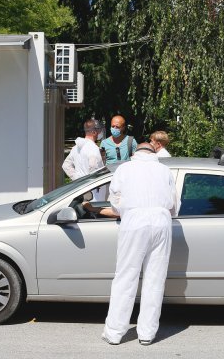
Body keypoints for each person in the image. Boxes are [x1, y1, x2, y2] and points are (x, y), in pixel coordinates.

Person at [84, 143, 177, 346]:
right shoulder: (164, 170)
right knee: (155, 278)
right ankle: (147, 334)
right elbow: (174, 206)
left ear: (135, 154)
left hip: (134, 221)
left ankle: (115, 333)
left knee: (126, 277)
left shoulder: (124, 169)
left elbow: (116, 203)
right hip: (162, 221)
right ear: (153, 153)